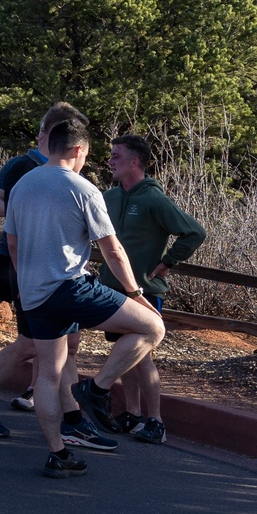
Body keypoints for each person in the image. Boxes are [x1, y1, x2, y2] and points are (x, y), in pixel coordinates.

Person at [4, 118, 166, 478]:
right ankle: (97, 388)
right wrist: (134, 293)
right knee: (153, 328)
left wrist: (27, 285)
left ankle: (58, 454)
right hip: (69, 287)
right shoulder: (83, 188)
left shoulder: (22, 184)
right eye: (88, 154)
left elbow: (12, 244)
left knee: (48, 374)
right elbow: (112, 251)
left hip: (33, 293)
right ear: (78, 150)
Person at [0, 104, 111, 450]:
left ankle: (72, 420)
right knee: (33, 345)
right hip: (24, 266)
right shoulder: (24, 167)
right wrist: (34, 213)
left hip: (59, 273)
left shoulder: (72, 178)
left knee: (67, 347)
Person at [99, 134, 206, 444]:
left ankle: (155, 420)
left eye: (117, 156)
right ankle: (132, 413)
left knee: (142, 355)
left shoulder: (154, 199)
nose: (111, 160)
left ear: (135, 162)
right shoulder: (110, 197)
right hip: (111, 291)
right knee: (123, 355)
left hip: (144, 293)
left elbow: (194, 232)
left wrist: (168, 262)